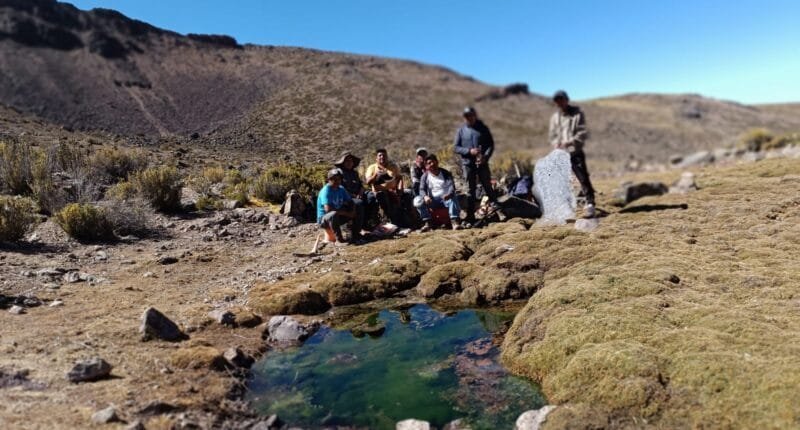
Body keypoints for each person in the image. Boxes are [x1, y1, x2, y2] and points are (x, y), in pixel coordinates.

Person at [548, 90, 596, 217]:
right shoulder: (555, 117)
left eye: (561, 99)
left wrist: (570, 142)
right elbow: (552, 135)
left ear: (566, 100)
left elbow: (582, 132)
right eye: (557, 101)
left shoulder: (577, 114)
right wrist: (556, 143)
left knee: (583, 178)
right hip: (560, 154)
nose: (559, 103)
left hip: (575, 151)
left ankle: (590, 203)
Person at [454, 106, 498, 224]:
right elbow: (456, 147)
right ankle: (470, 215)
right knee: (470, 189)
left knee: (487, 186)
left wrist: (485, 157)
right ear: (464, 117)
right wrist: (469, 151)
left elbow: (490, 145)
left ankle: (498, 211)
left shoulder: (483, 128)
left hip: (482, 163)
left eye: (471, 115)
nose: (469, 118)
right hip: (468, 164)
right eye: (466, 116)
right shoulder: (461, 131)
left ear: (475, 115)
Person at [414, 154, 462, 231]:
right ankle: (427, 222)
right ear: (426, 166)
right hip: (432, 200)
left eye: (434, 162)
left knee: (453, 197)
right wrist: (425, 196)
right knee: (417, 200)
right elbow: (421, 189)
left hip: (446, 199)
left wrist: (449, 194)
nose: (432, 164)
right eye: (429, 163)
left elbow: (452, 187)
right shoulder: (425, 176)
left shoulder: (445, 173)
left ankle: (454, 222)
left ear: (437, 162)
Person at [317, 168, 363, 244]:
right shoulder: (326, 191)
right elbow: (328, 210)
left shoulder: (341, 188)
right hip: (325, 220)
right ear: (329, 180)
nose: (337, 181)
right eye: (334, 179)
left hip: (338, 216)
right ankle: (339, 240)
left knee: (358, 203)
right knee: (333, 214)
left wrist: (353, 211)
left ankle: (355, 234)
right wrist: (348, 214)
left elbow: (350, 201)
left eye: (339, 179)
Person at [365, 148, 409, 226]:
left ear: (387, 157)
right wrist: (375, 174)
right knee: (382, 196)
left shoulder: (393, 166)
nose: (382, 157)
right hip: (379, 192)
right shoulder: (372, 168)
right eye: (380, 155)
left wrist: (399, 189)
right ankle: (390, 221)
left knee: (408, 194)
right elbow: (368, 182)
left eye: (384, 155)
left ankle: (411, 220)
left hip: (393, 190)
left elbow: (399, 178)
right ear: (376, 158)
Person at [334, 151, 372, 233]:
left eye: (351, 161)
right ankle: (356, 231)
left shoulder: (354, 173)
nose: (349, 163)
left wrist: (360, 193)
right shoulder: (339, 173)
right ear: (343, 162)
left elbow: (361, 186)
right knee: (358, 203)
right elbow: (340, 189)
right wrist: (353, 196)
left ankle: (368, 223)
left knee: (371, 196)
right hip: (345, 198)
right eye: (347, 161)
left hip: (357, 195)